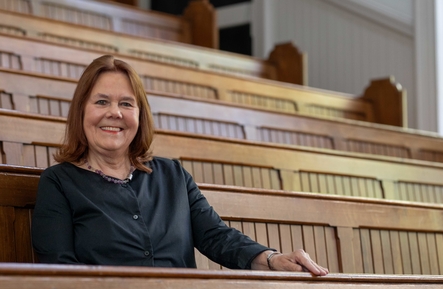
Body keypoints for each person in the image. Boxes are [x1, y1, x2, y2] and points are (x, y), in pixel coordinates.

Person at [31, 55, 328, 276]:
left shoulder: (172, 175)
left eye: (126, 104)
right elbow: (60, 270)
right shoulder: (59, 183)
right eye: (101, 102)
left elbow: (215, 236)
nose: (114, 113)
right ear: (81, 111)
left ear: (139, 115)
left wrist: (271, 259)